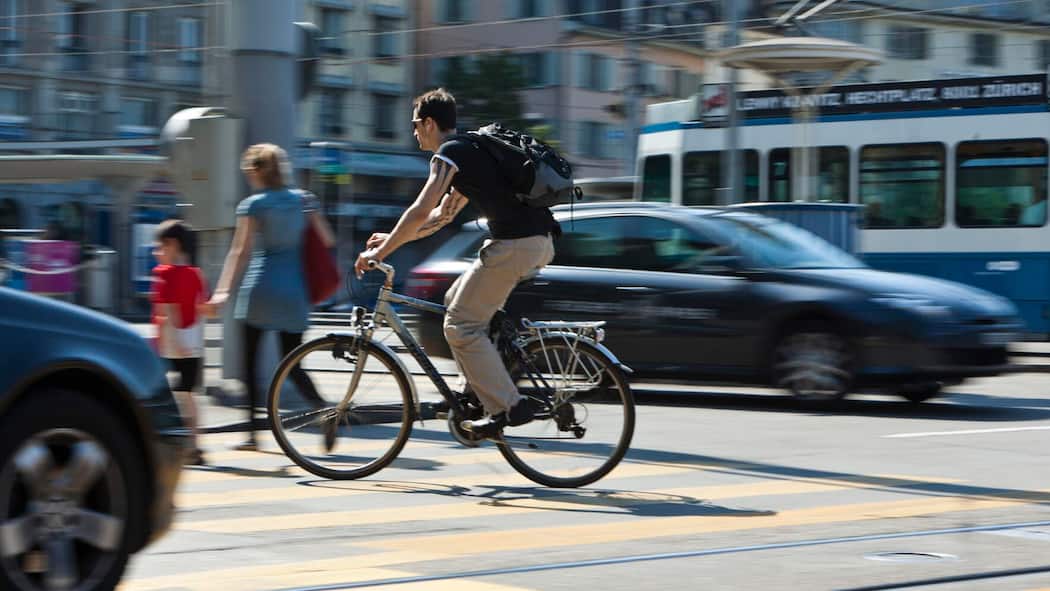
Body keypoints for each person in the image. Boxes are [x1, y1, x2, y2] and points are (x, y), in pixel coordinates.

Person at [354, 88, 558, 437]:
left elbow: (421, 208)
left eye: (415, 124)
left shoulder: (449, 154)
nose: (414, 132)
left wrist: (380, 253)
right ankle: (474, 392)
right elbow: (441, 216)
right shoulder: (470, 151)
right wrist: (391, 239)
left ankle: (508, 406)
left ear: (429, 123)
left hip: (515, 245)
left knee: (460, 325)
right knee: (454, 302)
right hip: (536, 242)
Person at [206, 143, 335, 451]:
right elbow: (327, 239)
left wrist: (222, 291)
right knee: (293, 363)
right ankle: (323, 409)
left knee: (250, 365)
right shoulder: (305, 200)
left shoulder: (254, 205)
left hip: (260, 289)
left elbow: (240, 251)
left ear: (256, 171)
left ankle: (253, 436)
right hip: (294, 292)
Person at [152, 219, 208, 465]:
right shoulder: (196, 274)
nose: (156, 252)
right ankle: (194, 447)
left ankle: (172, 447)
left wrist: (173, 343)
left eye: (160, 247)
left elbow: (168, 312)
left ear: (172, 245)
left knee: (167, 399)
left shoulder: (164, 274)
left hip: (171, 347)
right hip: (193, 345)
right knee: (188, 397)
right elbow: (202, 309)